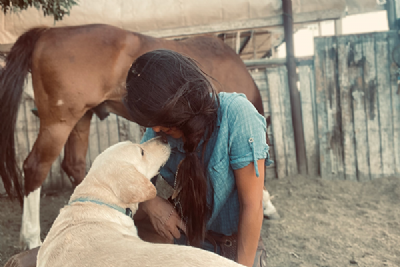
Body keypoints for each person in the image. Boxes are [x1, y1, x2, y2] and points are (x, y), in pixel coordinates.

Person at [123, 49, 272, 267]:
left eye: (160, 118)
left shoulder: (237, 115)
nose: (154, 127)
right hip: (187, 249)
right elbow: (134, 176)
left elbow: (252, 205)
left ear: (183, 100)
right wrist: (151, 203)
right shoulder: (159, 129)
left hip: (234, 249)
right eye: (150, 121)